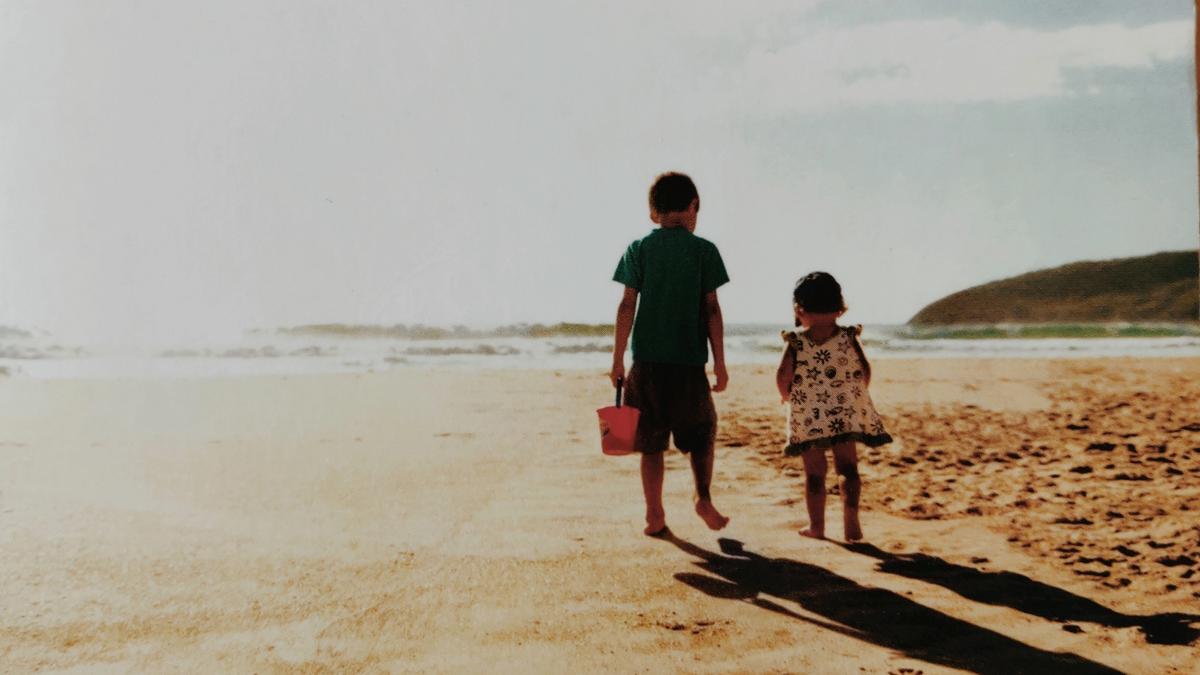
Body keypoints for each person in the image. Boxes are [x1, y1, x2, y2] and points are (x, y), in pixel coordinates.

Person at [611, 171, 730, 536]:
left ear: (652, 212)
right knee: (701, 433)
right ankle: (703, 497)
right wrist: (720, 363)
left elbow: (626, 305)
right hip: (689, 365)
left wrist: (617, 360)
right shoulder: (704, 251)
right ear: (694, 207)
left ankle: (655, 515)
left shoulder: (638, 249)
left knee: (650, 444)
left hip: (645, 364)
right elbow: (712, 309)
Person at [775, 271, 892, 541]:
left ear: (798, 308)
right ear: (841, 308)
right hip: (845, 412)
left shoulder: (796, 341)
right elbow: (863, 369)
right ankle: (851, 522)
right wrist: (855, 395)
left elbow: (783, 375)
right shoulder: (848, 337)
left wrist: (786, 396)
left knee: (815, 474)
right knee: (848, 468)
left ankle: (817, 527)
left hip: (809, 415)